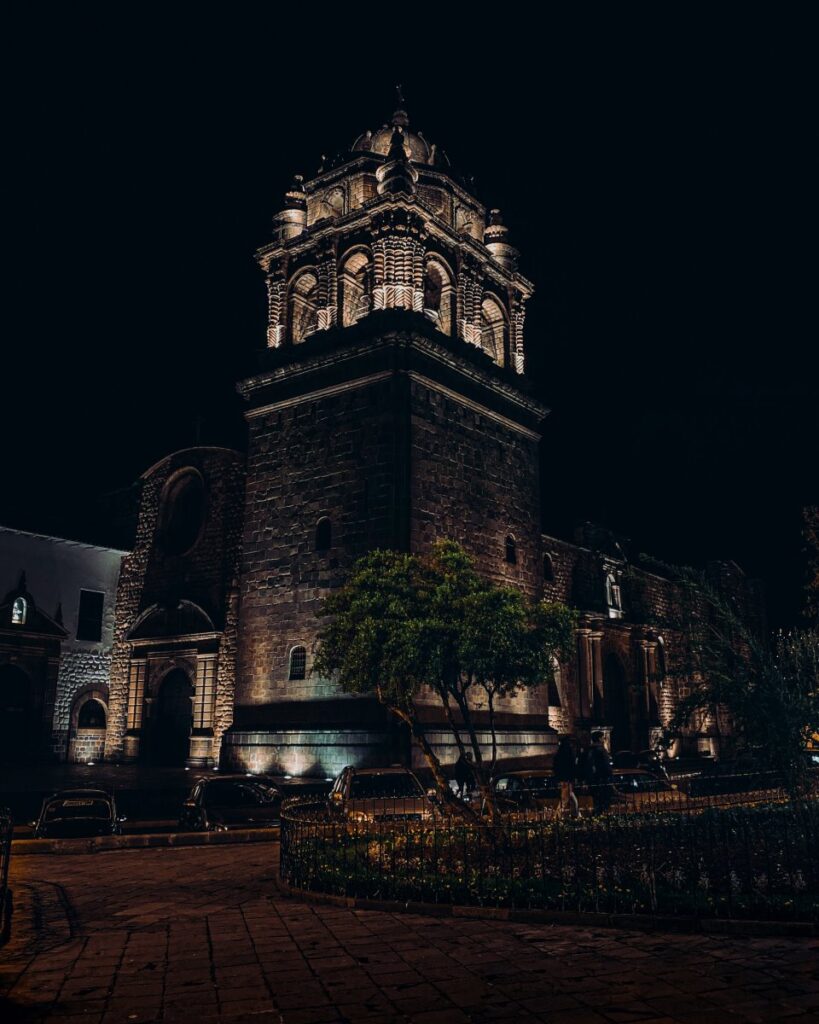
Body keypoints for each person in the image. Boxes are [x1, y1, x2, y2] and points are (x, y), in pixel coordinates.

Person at [553, 736, 579, 818]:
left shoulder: (559, 754)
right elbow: (572, 767)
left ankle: (577, 815)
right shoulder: (569, 753)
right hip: (567, 780)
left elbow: (556, 768)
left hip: (563, 779)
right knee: (565, 800)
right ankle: (556, 817)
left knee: (570, 798)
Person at [589, 731, 614, 813]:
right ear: (599, 738)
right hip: (603, 779)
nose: (604, 739)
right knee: (604, 802)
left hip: (594, 780)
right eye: (603, 737)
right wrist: (610, 776)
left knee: (597, 802)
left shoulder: (590, 750)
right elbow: (606, 766)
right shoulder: (601, 750)